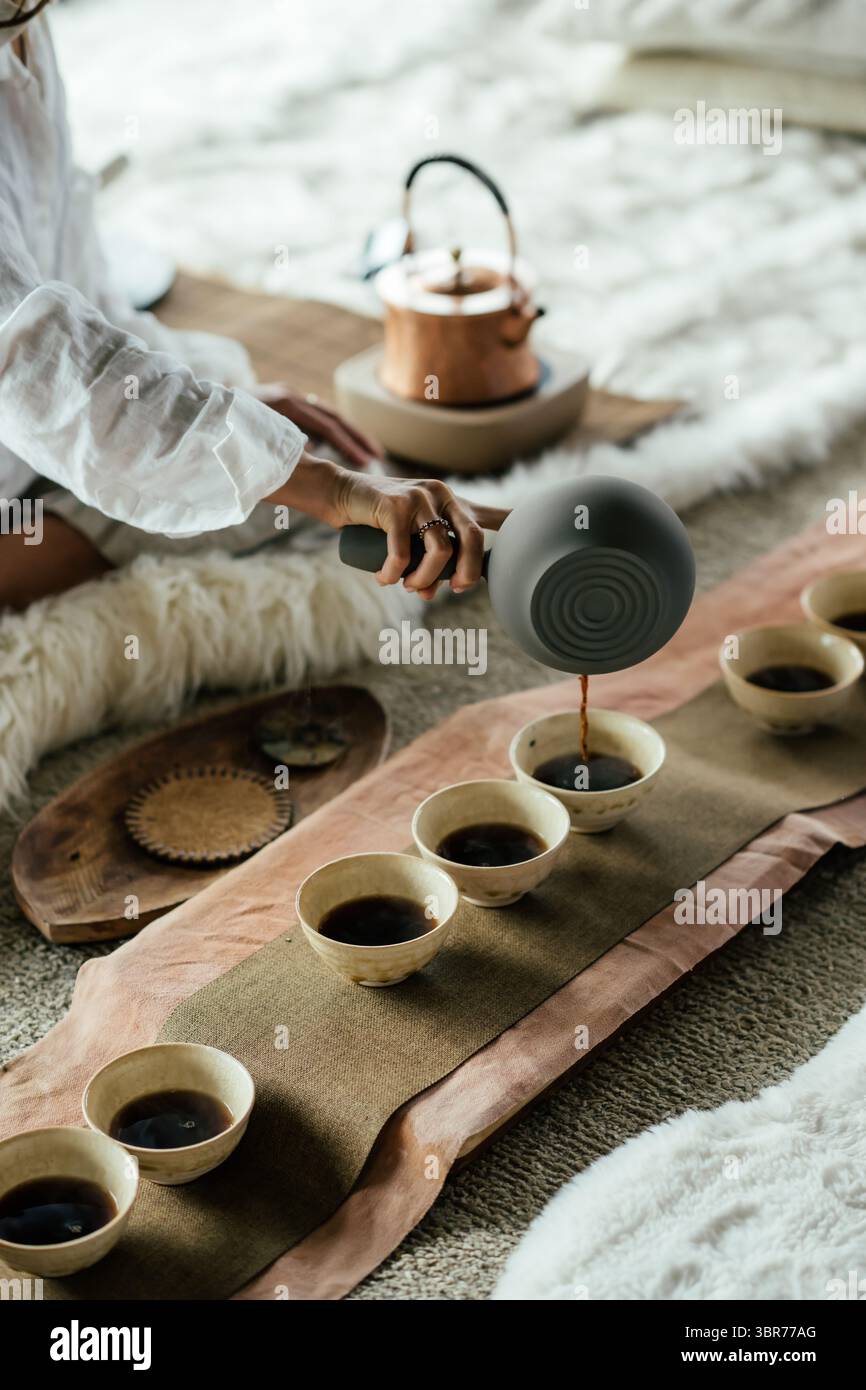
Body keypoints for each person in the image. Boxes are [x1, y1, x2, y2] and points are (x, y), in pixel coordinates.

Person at [0, 2, 506, 611]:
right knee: (242, 496)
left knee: (276, 455)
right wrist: (332, 489)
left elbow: (79, 296)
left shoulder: (25, 28)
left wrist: (231, 411)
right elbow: (39, 367)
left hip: (28, 445)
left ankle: (483, 525)